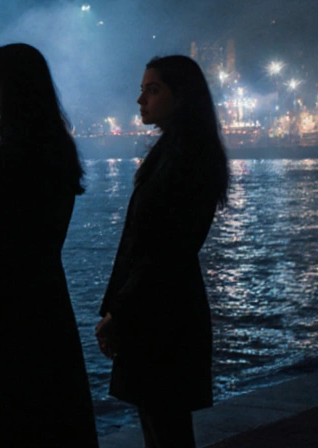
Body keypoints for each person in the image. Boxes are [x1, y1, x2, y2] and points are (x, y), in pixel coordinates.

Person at [0, 43, 99, 447]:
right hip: (49, 312)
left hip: (4, 323)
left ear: (8, 85)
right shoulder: (57, 155)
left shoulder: (2, 162)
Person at [96, 55, 228, 448]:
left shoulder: (183, 158)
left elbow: (163, 248)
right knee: (162, 423)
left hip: (161, 312)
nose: (141, 100)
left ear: (181, 96)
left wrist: (118, 309)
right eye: (142, 90)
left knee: (163, 425)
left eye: (152, 91)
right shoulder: (180, 152)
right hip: (162, 306)